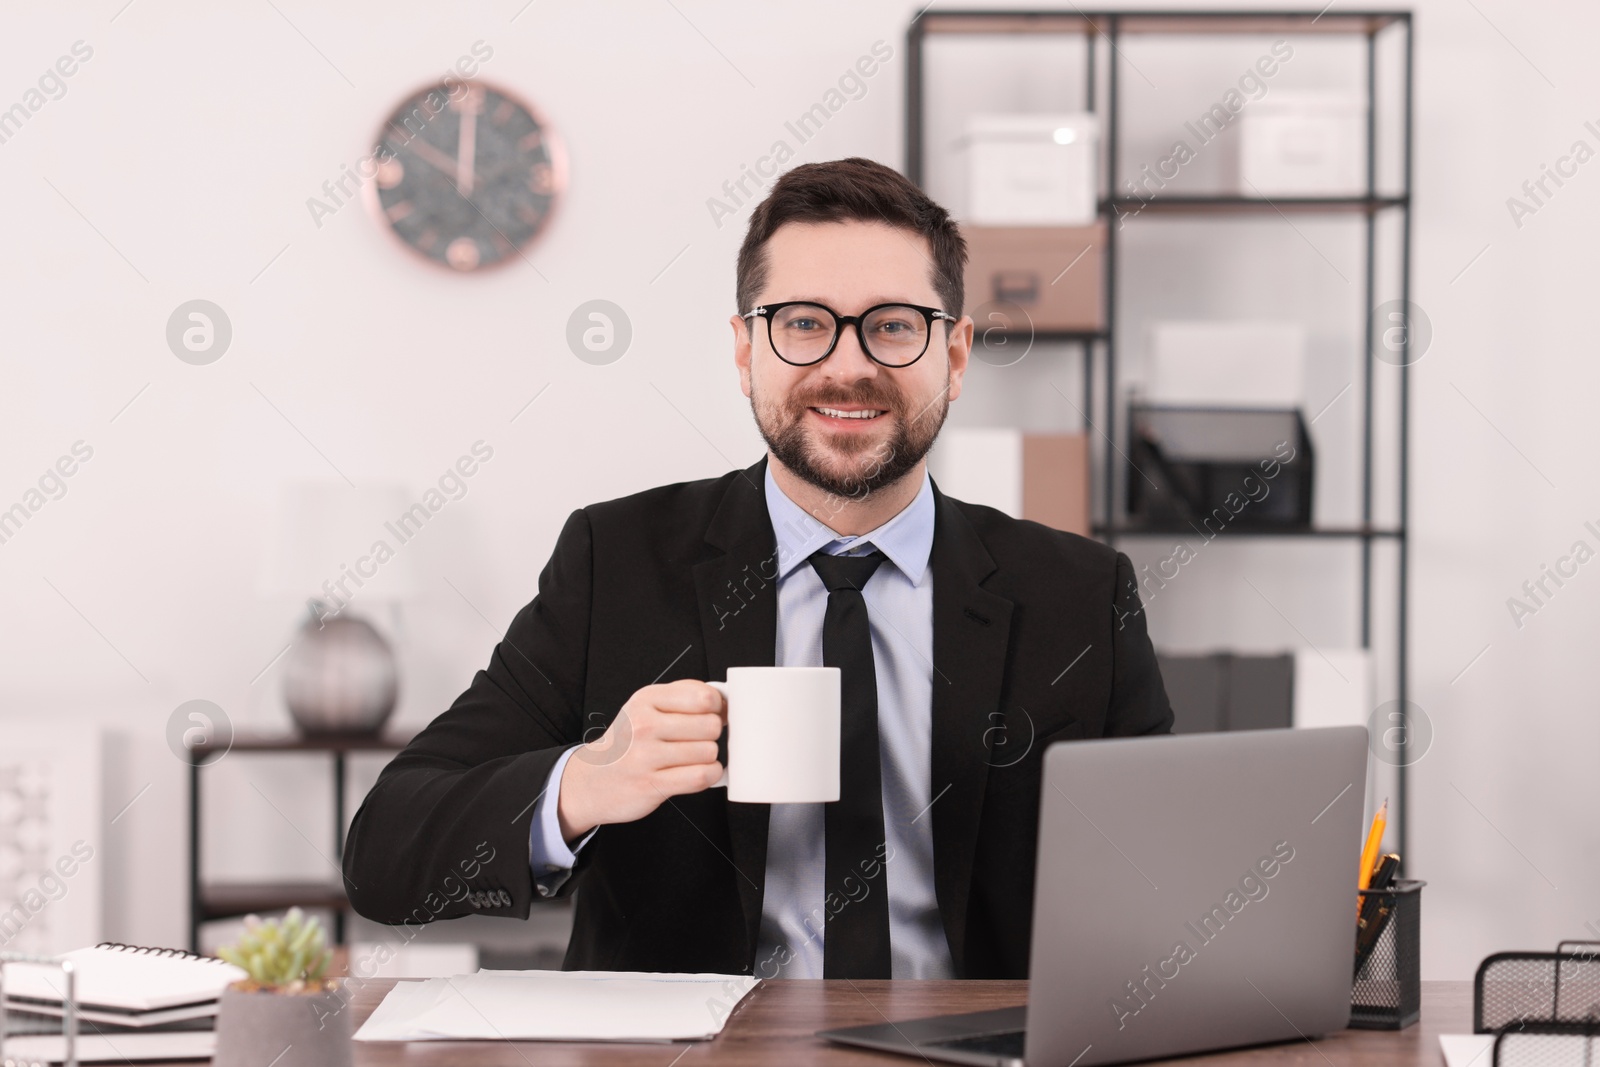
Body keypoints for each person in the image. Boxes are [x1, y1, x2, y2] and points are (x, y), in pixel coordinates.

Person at [343, 157, 1173, 980]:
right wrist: (582, 784)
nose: (848, 366)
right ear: (745, 352)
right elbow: (386, 852)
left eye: (892, 324)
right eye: (804, 323)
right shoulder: (617, 563)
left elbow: (1164, 886)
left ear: (954, 356)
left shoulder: (1079, 594)